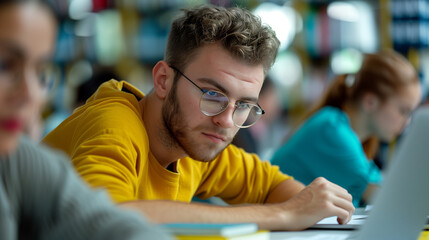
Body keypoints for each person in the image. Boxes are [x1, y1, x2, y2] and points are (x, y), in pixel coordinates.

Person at [42, 5, 354, 231]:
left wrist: (311, 205)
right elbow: (105, 217)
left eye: (244, 104)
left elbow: (275, 188)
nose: (228, 121)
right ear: (163, 80)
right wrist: (283, 215)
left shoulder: (196, 140)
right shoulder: (114, 125)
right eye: (213, 95)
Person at [0, 0, 173, 239]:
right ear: (162, 80)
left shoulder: (15, 161)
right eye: (5, 65)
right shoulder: (115, 120)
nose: (30, 94)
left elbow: (105, 221)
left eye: (41, 72)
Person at [271, 50, 422, 207]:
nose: (407, 122)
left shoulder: (340, 127)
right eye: (403, 111)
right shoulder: (331, 130)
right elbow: (394, 199)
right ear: (370, 101)